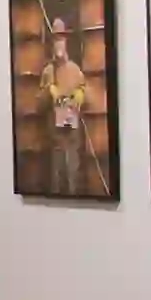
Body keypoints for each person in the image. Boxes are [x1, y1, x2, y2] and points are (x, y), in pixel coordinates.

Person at [42, 22, 94, 198]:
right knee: (57, 168)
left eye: (61, 39)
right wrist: (49, 91)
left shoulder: (74, 69)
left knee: (73, 166)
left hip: (72, 128)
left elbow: (86, 90)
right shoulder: (48, 71)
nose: (59, 44)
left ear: (66, 43)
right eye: (55, 40)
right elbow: (38, 102)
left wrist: (80, 93)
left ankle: (75, 197)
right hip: (54, 132)